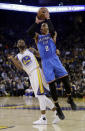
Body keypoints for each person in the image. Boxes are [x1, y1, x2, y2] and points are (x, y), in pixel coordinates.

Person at [27, 10, 77, 120]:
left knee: (66, 80)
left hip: (54, 59)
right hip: (46, 62)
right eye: (43, 25)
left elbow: (53, 30)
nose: (45, 26)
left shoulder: (52, 34)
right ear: (41, 29)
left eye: (46, 25)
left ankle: (70, 98)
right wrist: (37, 21)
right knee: (52, 86)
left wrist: (48, 18)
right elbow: (29, 32)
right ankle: (58, 107)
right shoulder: (38, 37)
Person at [8, 39, 60, 125]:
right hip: (31, 75)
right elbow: (20, 68)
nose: (21, 42)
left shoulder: (30, 50)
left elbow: (41, 55)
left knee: (41, 95)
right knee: (40, 96)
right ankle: (57, 113)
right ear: (17, 45)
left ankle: (43, 118)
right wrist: (12, 59)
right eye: (19, 42)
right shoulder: (17, 56)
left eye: (22, 41)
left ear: (25, 43)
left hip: (36, 71)